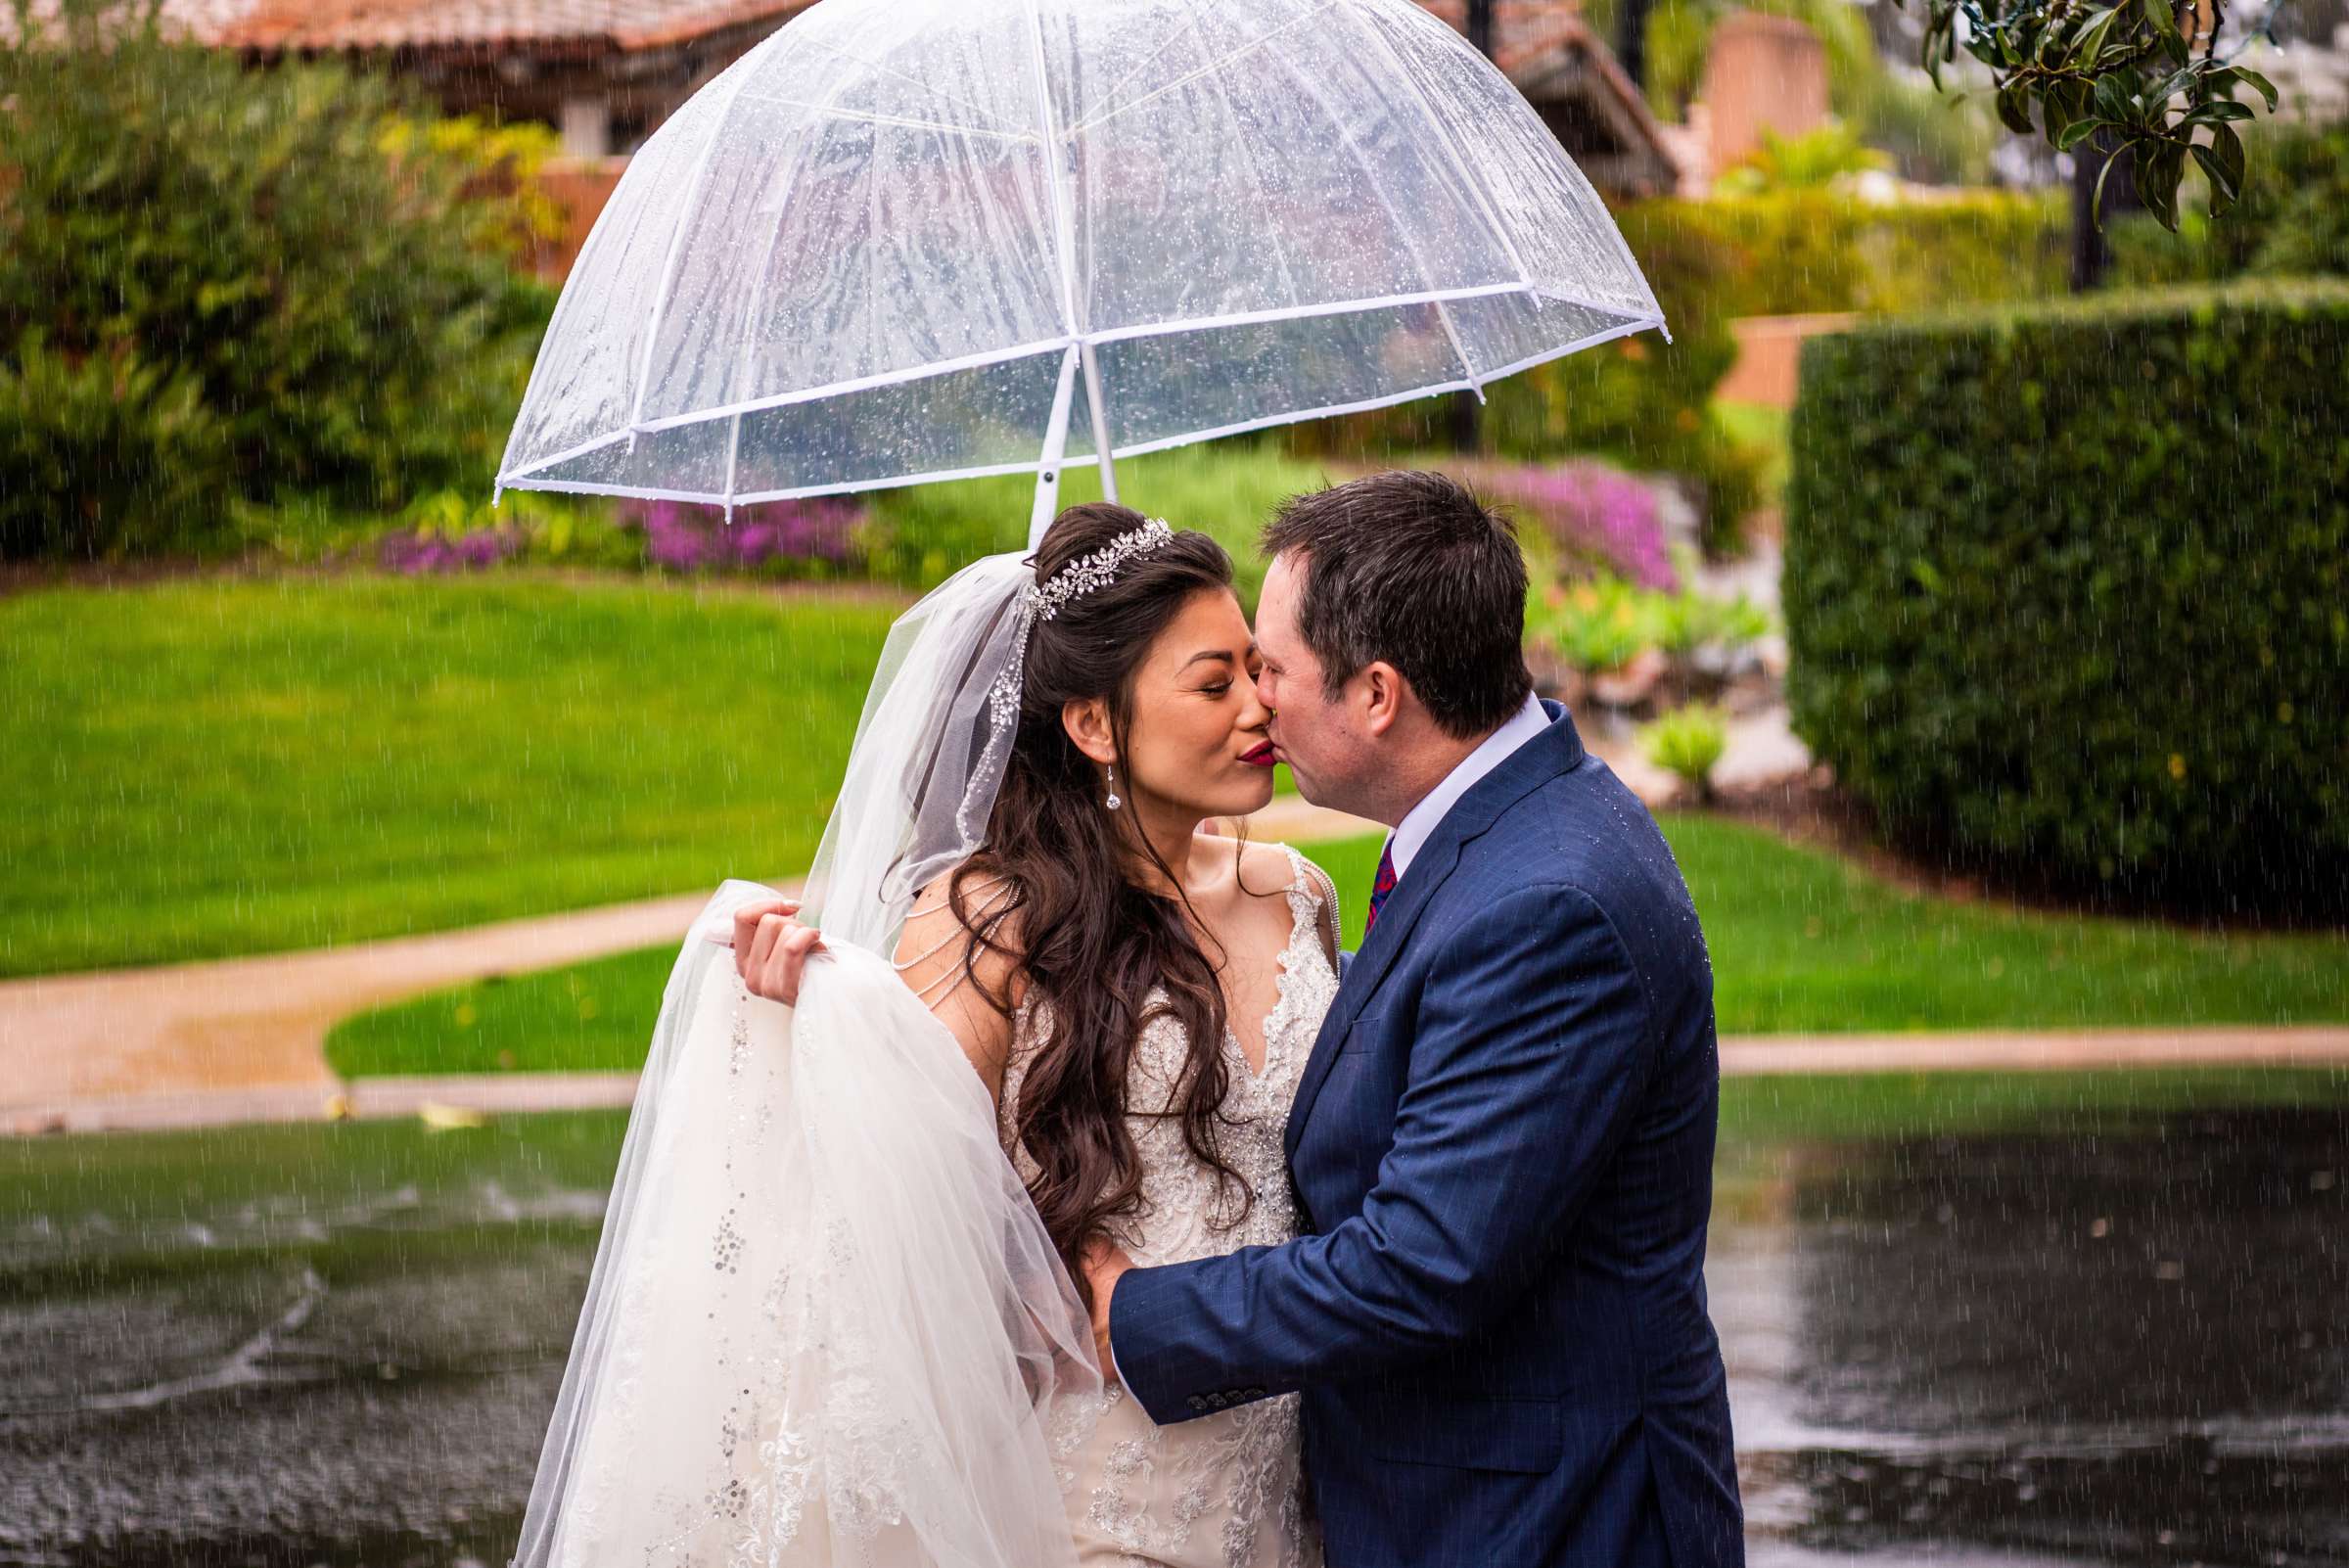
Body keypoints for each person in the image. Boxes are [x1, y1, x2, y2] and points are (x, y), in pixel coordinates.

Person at [512, 503, 1337, 1568]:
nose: (1257, 708)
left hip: (1297, 1477)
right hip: (1103, 1498)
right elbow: (909, 1225)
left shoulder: (1297, 894)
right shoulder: (989, 923)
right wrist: (814, 1032)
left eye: (1257, 671)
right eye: (1212, 683)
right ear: (1093, 725)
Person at [1082, 471, 1745, 1568]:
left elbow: (1423, 1266)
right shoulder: (1507, 828)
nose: (1260, 705)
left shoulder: (1546, 905)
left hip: (1549, 1520)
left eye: (1275, 670)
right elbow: (1410, 1022)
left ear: (1378, 694)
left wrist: (1140, 1316)